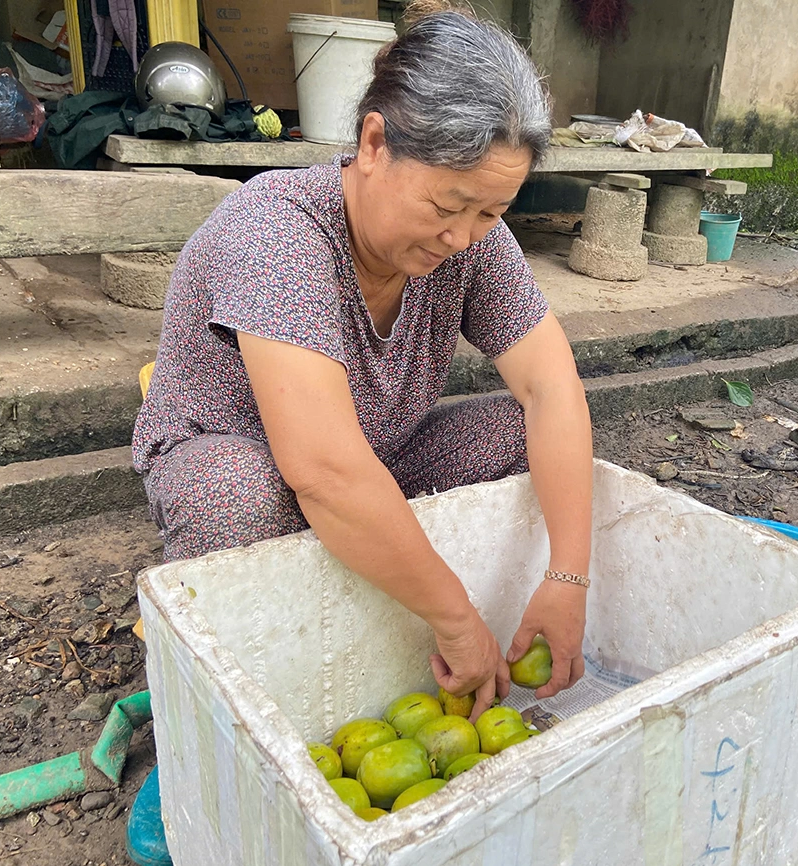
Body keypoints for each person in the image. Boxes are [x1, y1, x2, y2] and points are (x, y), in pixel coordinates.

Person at [131, 1, 592, 726]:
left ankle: (389, 575)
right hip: (246, 459)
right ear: (374, 144)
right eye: (448, 205)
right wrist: (454, 618)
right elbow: (323, 471)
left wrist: (569, 577)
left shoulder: (471, 241)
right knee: (236, 491)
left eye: (491, 213)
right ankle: (213, 690)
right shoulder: (275, 232)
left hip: (377, 455)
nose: (464, 237)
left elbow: (551, 387)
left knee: (521, 432)